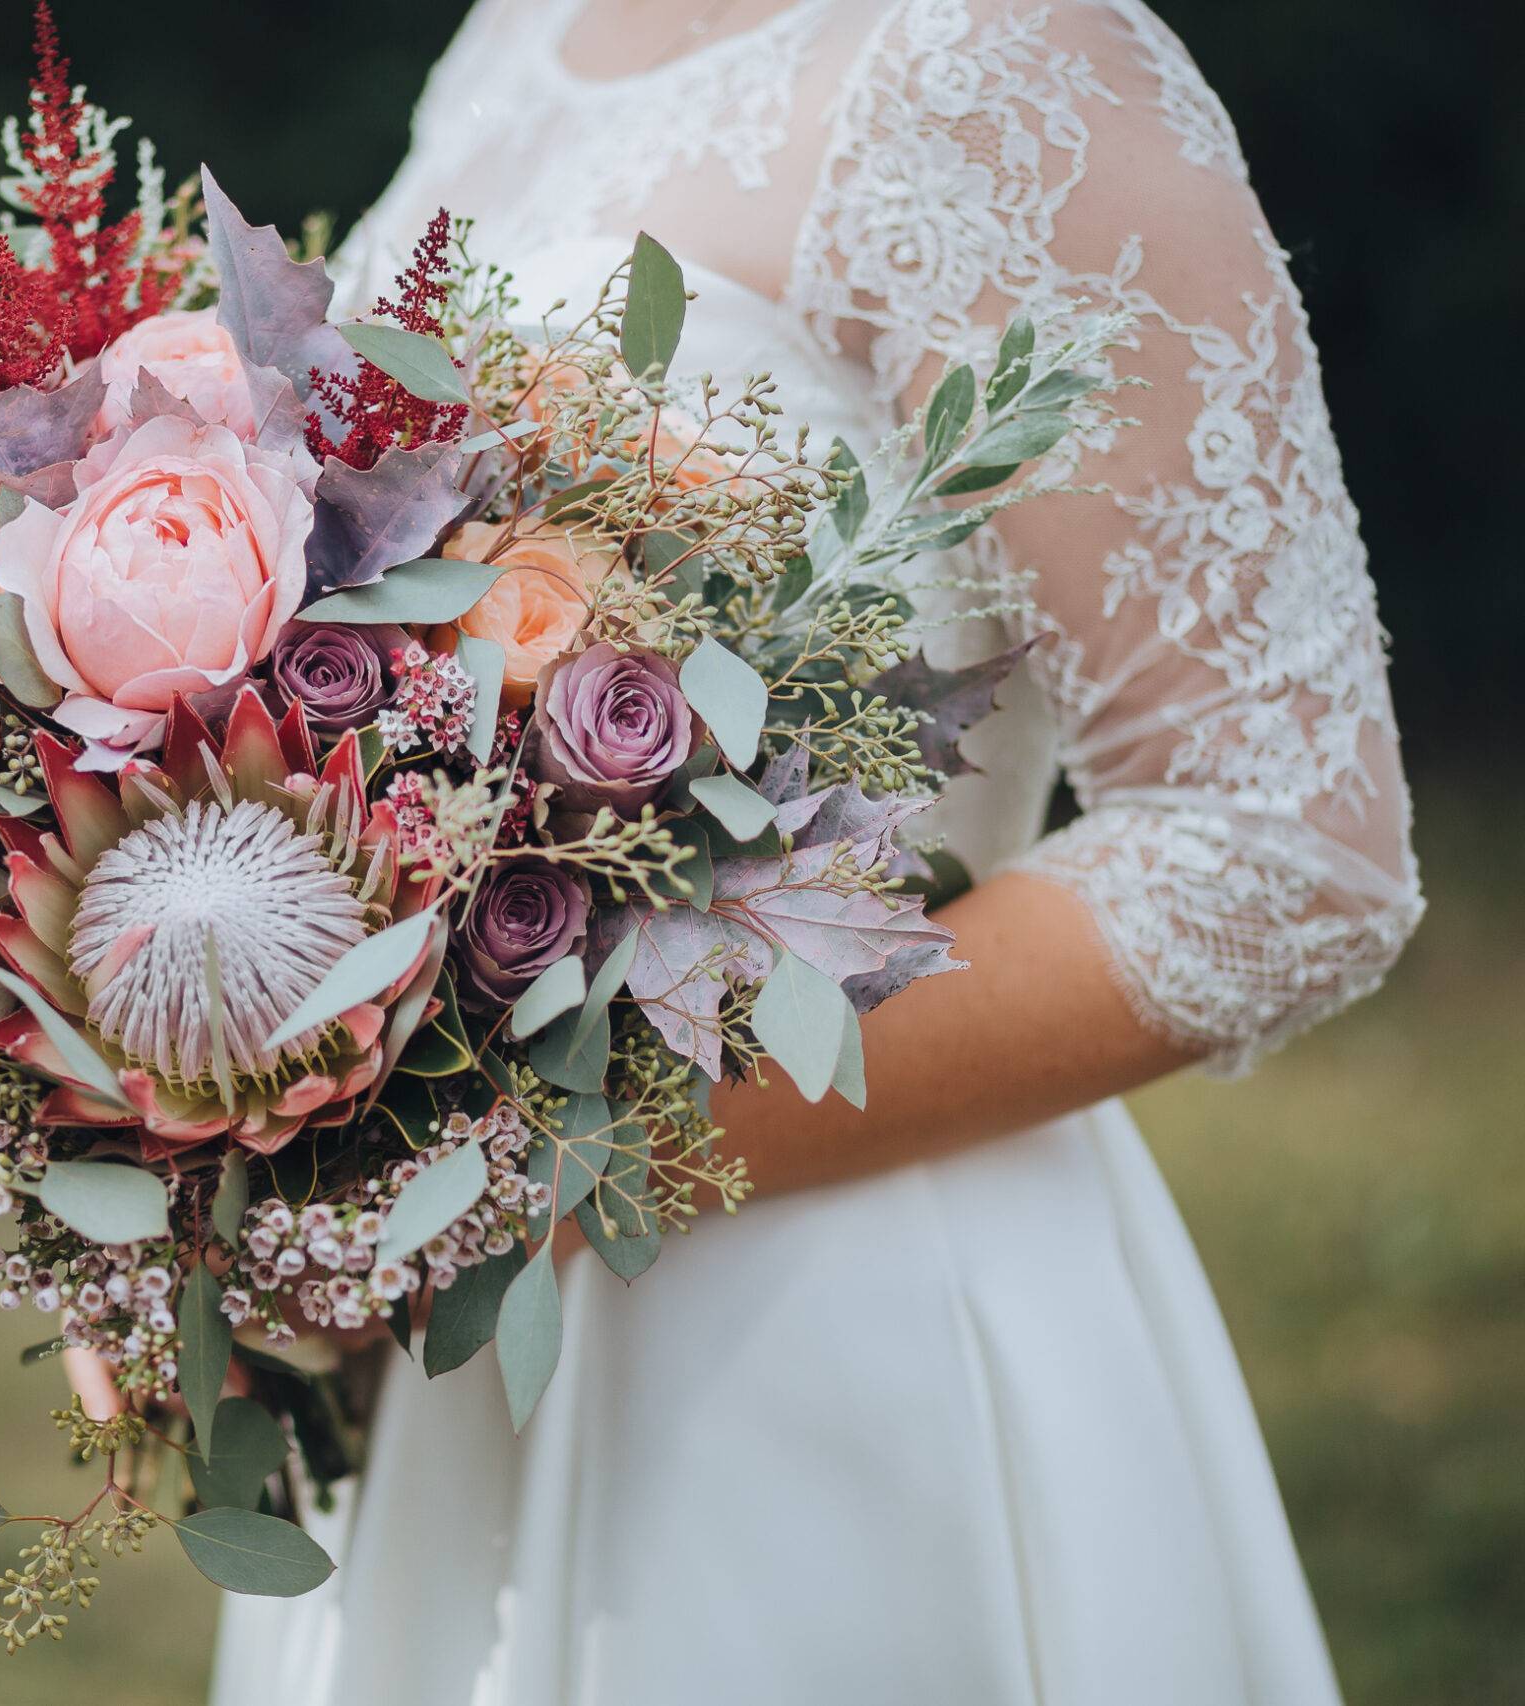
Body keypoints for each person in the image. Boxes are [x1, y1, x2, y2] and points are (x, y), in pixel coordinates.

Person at [135, 1, 1427, 1699]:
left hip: (833, 1341)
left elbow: (1281, 847)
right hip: (446, 1395)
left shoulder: (1014, 64)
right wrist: (190, 1176)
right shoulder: (516, 42)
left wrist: (524, 1172)